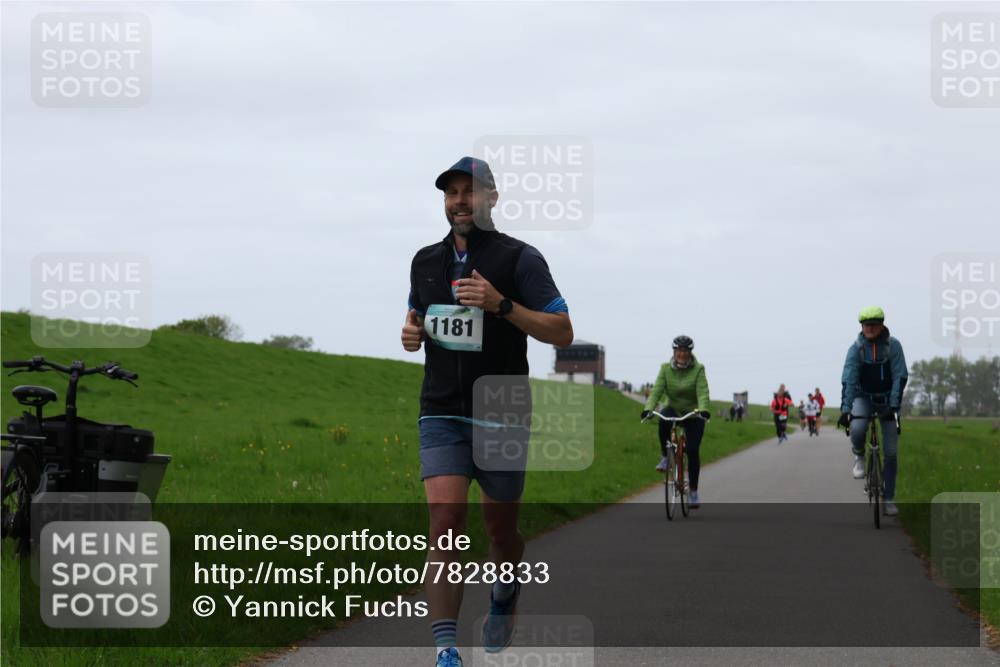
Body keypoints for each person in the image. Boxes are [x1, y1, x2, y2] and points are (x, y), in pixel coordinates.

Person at [402, 156, 574, 667]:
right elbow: (418, 318)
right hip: (441, 411)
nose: (460, 201)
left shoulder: (520, 258)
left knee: (500, 532)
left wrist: (501, 305)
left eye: (470, 192)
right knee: (446, 523)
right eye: (451, 193)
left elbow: (561, 331)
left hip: (501, 409)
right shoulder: (424, 261)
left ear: (492, 199)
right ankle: (446, 648)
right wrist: (411, 334)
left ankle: (504, 589)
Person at [837, 306, 908, 517]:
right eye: (865, 325)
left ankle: (888, 499)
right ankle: (859, 456)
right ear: (861, 327)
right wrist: (846, 409)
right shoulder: (856, 349)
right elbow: (849, 379)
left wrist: (894, 406)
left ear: (882, 325)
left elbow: (900, 376)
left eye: (873, 324)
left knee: (891, 453)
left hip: (888, 401)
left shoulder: (893, 346)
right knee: (858, 428)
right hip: (863, 398)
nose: (869, 328)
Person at [640, 335, 712, 508]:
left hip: (694, 413)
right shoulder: (665, 368)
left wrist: (704, 410)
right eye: (679, 350)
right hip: (673, 407)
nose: (682, 353)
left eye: (686, 350)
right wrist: (648, 409)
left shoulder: (698, 369)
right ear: (674, 351)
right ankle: (665, 456)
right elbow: (657, 390)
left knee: (693, 450)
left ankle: (693, 492)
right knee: (664, 418)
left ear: (690, 352)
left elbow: (702, 391)